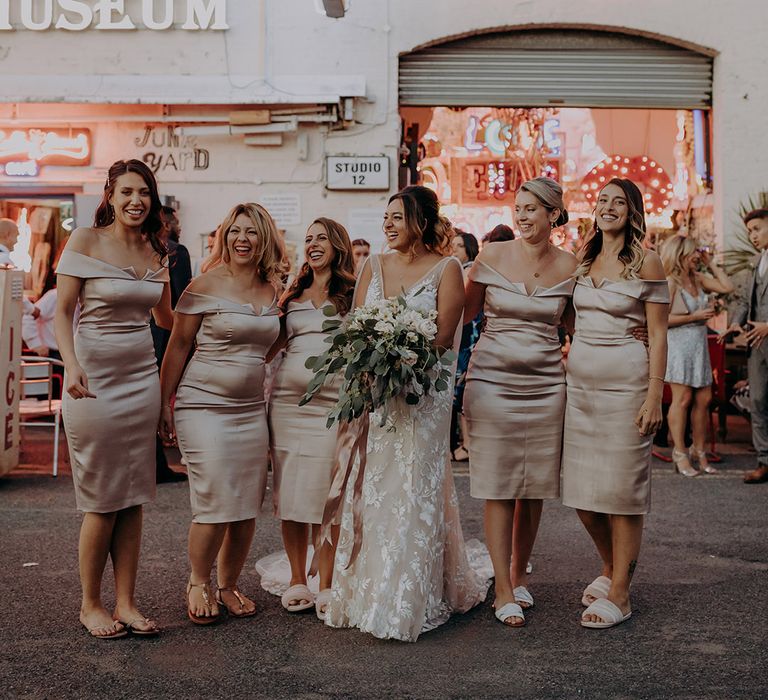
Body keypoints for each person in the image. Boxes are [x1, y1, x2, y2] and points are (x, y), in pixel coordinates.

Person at [325, 185, 489, 642]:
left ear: (420, 220)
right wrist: (369, 371)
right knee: (376, 489)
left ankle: (406, 596)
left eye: (397, 216)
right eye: (386, 217)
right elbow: (356, 331)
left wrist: (403, 362)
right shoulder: (372, 267)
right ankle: (367, 588)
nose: (388, 224)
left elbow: (442, 337)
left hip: (424, 399)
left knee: (415, 485)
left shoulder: (447, 269)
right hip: (379, 398)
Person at [54, 159, 173, 639]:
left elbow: (167, 318)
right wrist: (71, 363)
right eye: (126, 192)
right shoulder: (85, 240)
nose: (135, 201)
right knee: (102, 498)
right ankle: (90, 604)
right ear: (110, 194)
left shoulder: (156, 249)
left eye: (143, 192)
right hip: (93, 380)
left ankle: (125, 601)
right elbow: (63, 312)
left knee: (134, 497)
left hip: (141, 379)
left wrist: (224, 299)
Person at [159, 203, 282, 625]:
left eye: (251, 232)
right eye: (235, 231)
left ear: (264, 239)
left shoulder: (273, 289)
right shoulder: (204, 285)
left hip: (250, 410)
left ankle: (228, 585)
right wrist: (164, 402)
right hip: (202, 405)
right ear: (223, 237)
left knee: (246, 504)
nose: (242, 239)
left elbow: (275, 343)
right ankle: (198, 581)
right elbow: (177, 346)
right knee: (214, 499)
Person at [463, 178, 576, 627]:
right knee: (499, 484)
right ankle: (502, 589)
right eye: (518, 208)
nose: (523, 216)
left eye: (532, 209)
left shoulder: (571, 265)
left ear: (553, 215)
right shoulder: (491, 256)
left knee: (533, 486)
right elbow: (465, 313)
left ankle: (517, 574)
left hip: (547, 384)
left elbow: (575, 323)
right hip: (491, 382)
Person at [561, 178, 669, 629]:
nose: (608, 207)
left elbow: (659, 332)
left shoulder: (648, 263)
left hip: (627, 390)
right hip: (580, 394)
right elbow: (568, 317)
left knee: (623, 494)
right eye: (602, 200)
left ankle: (621, 594)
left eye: (618, 202)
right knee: (585, 496)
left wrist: (655, 393)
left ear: (632, 211)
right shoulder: (581, 261)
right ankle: (612, 566)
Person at [260, 218, 356, 619]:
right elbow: (269, 347)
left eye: (322, 238)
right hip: (287, 405)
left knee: (326, 495)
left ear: (337, 244)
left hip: (335, 407)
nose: (313, 245)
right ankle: (298, 577)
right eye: (309, 239)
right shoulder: (291, 295)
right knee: (292, 495)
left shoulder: (354, 294)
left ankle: (329, 582)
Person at [661, 235, 734, 476]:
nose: (696, 256)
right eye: (693, 252)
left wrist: (710, 262)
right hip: (679, 345)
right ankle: (679, 452)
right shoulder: (670, 282)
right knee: (682, 400)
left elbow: (727, 287)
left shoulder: (698, 279)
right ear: (679, 254)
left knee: (704, 400)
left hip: (699, 344)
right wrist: (695, 317)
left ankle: (699, 450)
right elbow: (661, 319)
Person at [724, 208, 768, 484]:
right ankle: (764, 461)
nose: (752, 235)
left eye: (757, 229)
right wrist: (735, 323)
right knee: (759, 402)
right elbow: (743, 300)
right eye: (750, 231)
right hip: (756, 345)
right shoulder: (755, 261)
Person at [153, 206, 193, 483]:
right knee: (161, 394)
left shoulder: (143, 250)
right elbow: (180, 298)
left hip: (148, 331)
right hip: (168, 332)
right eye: (174, 222)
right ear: (166, 225)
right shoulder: (176, 251)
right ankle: (159, 464)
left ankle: (152, 462)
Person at [450, 230, 480, 462]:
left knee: (463, 389)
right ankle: (467, 443)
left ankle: (469, 444)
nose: (454, 249)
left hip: (470, 335)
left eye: (459, 246)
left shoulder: (469, 271)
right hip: (467, 334)